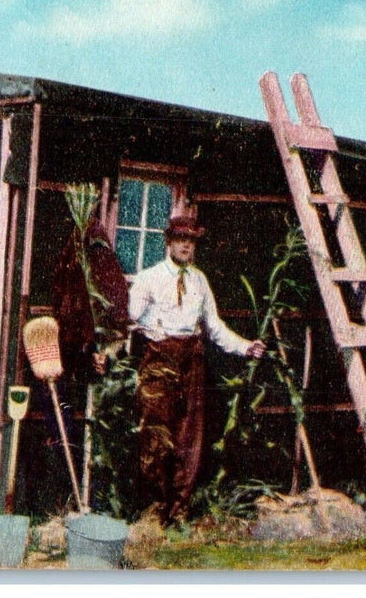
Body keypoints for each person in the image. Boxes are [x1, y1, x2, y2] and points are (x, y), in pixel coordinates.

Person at [127, 216, 266, 523]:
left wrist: (246, 346)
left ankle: (178, 515)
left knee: (188, 440)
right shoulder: (148, 278)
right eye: (180, 239)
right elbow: (131, 317)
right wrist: (147, 317)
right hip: (159, 362)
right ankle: (153, 513)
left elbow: (214, 327)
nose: (186, 245)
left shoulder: (199, 280)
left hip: (193, 362)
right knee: (156, 438)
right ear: (168, 242)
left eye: (191, 241)